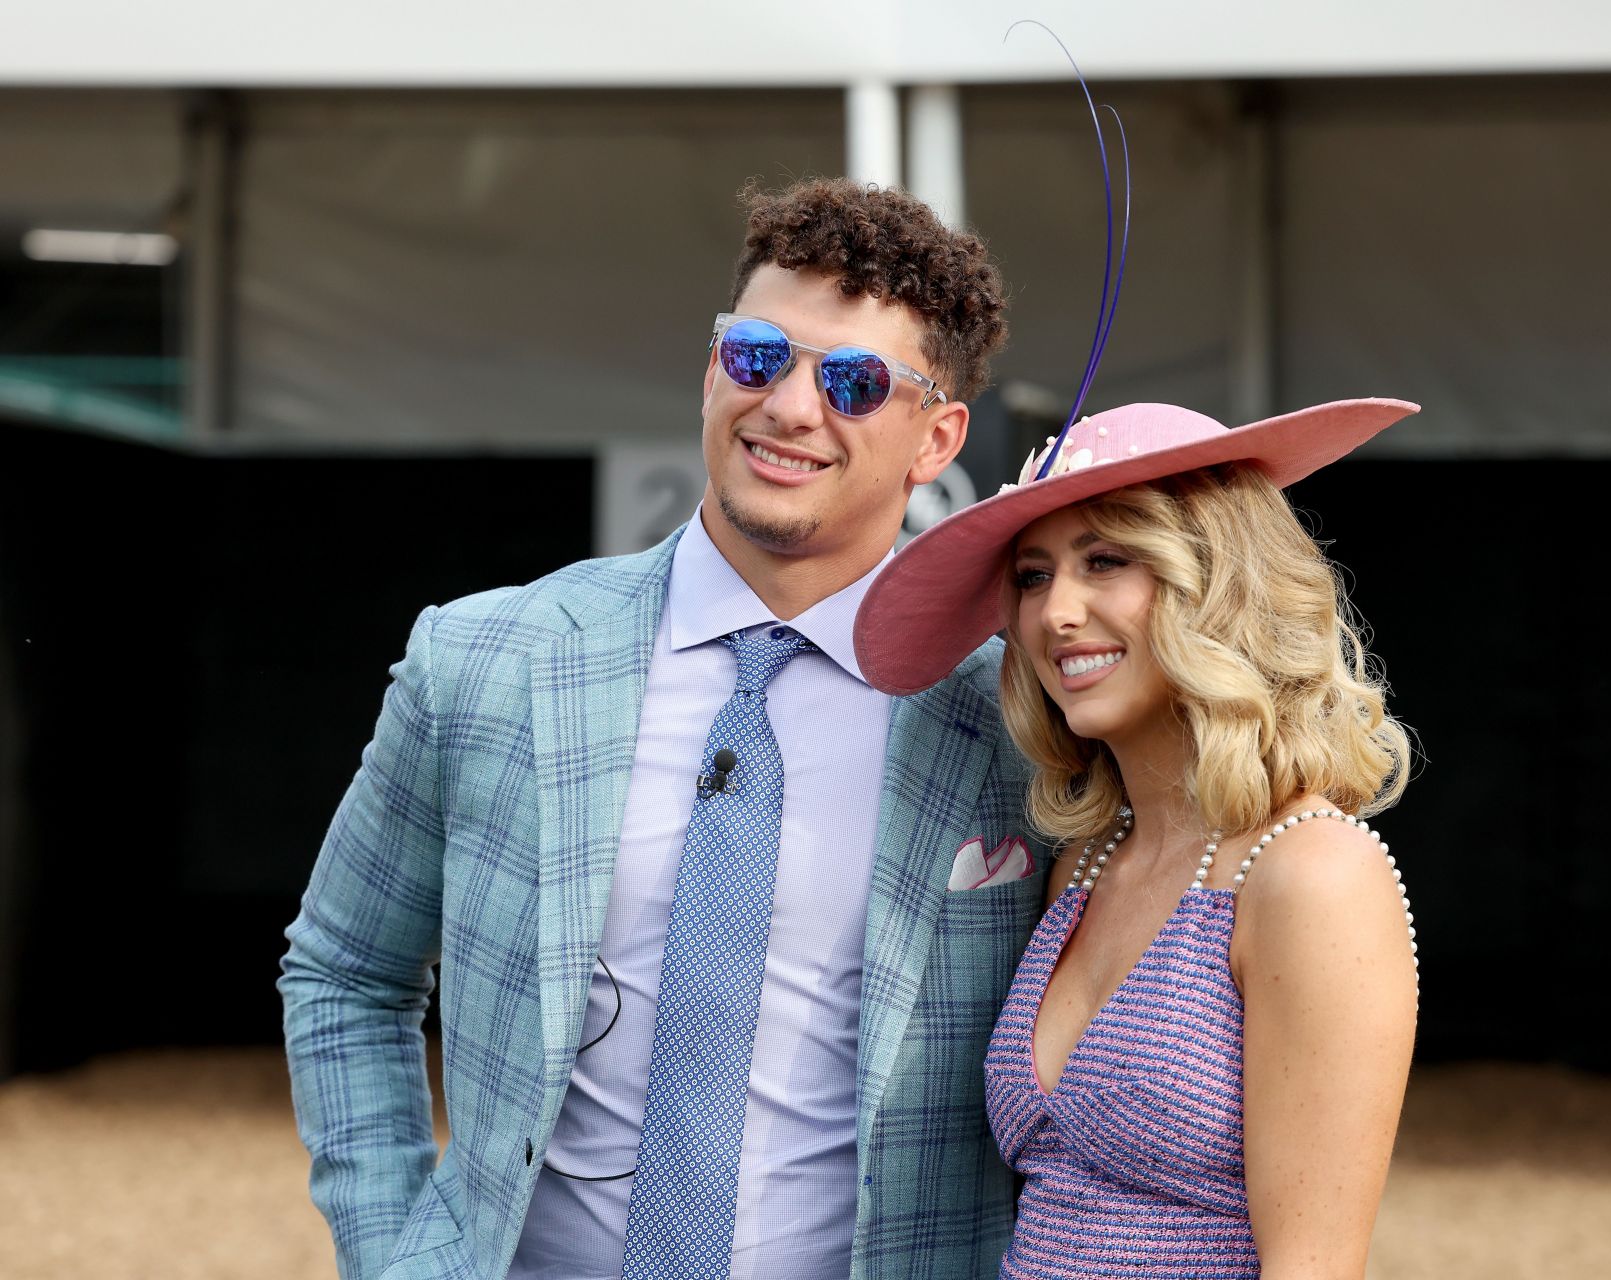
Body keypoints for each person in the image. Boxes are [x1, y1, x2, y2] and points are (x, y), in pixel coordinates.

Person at [280, 178, 1046, 1280]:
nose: (789, 406)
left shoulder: (1015, 719)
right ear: (711, 367)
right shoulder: (484, 659)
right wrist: (397, 1244)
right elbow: (345, 968)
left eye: (853, 381)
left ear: (939, 438)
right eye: (756, 355)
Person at [852, 397, 1424, 1278]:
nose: (1058, 614)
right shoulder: (1083, 863)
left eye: (1105, 561)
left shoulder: (1312, 871)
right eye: (1034, 576)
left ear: (1218, 578)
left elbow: (1313, 1266)